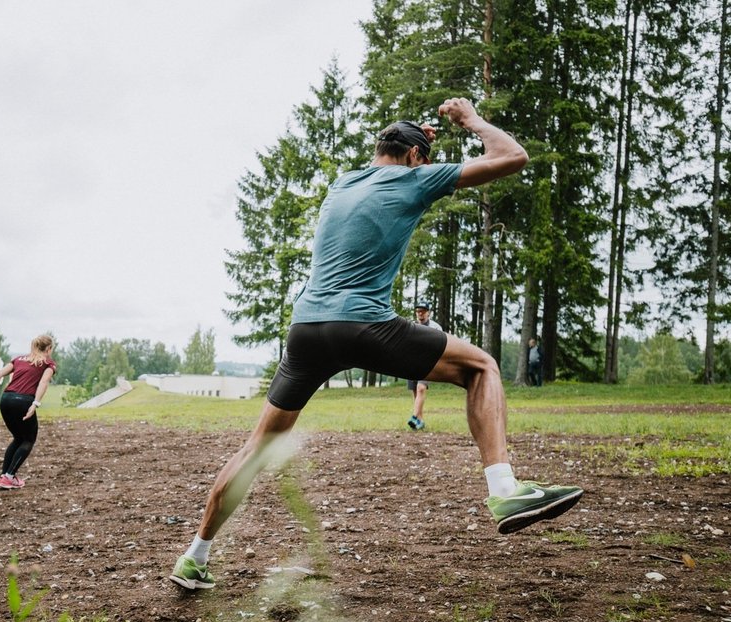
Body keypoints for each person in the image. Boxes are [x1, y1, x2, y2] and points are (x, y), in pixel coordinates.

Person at [170, 98, 584, 590]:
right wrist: (470, 122)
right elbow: (512, 156)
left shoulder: (341, 183)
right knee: (482, 368)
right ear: (414, 159)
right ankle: (504, 489)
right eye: (424, 159)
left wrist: (415, 136)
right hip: (363, 324)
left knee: (257, 448)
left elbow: (391, 158)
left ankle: (195, 556)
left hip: (307, 330)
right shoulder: (415, 178)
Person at [0, 335, 56, 489]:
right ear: (49, 349)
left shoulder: (18, 359)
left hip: (6, 399)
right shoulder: (48, 363)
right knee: (28, 439)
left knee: (18, 438)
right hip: (24, 401)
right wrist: (35, 404)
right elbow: (43, 383)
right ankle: (9, 477)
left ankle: (5, 476)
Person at [405, 300, 443, 430]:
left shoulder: (435, 328)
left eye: (422, 311)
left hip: (427, 362)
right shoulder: (411, 326)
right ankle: (420, 421)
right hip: (411, 363)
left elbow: (440, 346)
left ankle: (414, 417)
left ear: (428, 313)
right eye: (418, 311)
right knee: (415, 392)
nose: (420, 313)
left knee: (421, 388)